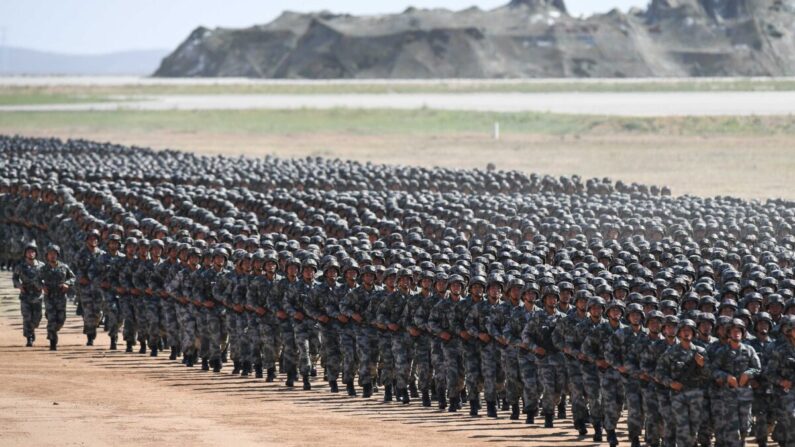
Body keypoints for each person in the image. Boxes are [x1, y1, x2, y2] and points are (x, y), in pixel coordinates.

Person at [39, 244, 75, 351]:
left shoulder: (64, 267)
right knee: (51, 318)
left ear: (58, 255)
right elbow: (37, 280)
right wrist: (42, 286)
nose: (52, 256)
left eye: (54, 254)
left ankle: (53, 330)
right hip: (49, 296)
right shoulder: (44, 268)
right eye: (50, 254)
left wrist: (67, 284)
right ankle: (52, 341)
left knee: (61, 319)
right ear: (47, 256)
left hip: (61, 297)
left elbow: (73, 278)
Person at [12, 241, 44, 346]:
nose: (31, 254)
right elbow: (15, 278)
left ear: (36, 253)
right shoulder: (20, 266)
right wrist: (19, 286)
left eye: (33, 252)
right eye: (29, 252)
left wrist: (43, 286)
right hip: (25, 296)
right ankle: (29, 337)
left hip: (37, 296)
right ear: (25, 253)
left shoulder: (41, 266)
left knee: (37, 318)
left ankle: (32, 329)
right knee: (27, 317)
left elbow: (46, 278)